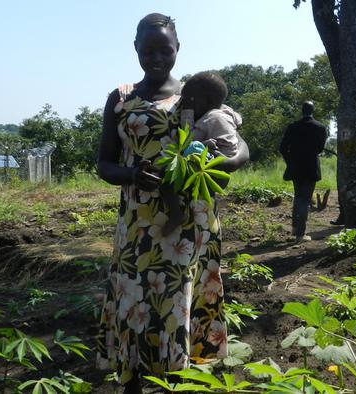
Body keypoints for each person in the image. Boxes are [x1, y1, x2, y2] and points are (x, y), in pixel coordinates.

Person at [95, 13, 249, 393]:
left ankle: (177, 382)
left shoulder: (197, 94)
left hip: (190, 220)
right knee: (135, 296)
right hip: (139, 221)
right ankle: (132, 382)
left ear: (178, 48)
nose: (157, 57)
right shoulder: (121, 97)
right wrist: (132, 175)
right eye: (148, 50)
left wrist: (226, 161)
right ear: (136, 49)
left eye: (165, 49)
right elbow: (104, 163)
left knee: (181, 297)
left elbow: (238, 145)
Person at [160, 71, 242, 235]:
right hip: (220, 167)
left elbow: (188, 139)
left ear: (206, 102)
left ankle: (176, 214)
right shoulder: (225, 113)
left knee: (166, 179)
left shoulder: (211, 119)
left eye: (190, 100)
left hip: (214, 166)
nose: (187, 104)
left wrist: (187, 114)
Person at [279, 101, 328, 243]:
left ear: (302, 110)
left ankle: (295, 228)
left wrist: (290, 161)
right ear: (313, 110)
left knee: (298, 196)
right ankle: (300, 235)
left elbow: (282, 148)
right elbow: (320, 149)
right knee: (304, 199)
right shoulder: (320, 128)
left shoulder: (292, 127)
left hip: (295, 168)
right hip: (311, 167)